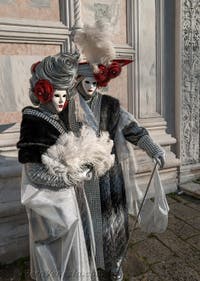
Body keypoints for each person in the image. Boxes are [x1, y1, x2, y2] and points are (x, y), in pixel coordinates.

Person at [60, 58, 166, 281]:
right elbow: (58, 139)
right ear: (78, 81)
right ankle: (86, 264)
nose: (90, 87)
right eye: (86, 82)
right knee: (84, 222)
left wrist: (154, 149)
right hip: (81, 178)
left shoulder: (111, 105)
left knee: (112, 222)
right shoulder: (67, 108)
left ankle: (114, 263)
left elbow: (131, 128)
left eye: (94, 83)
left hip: (110, 177)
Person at [17, 52, 109, 281]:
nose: (61, 101)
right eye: (56, 95)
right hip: (51, 210)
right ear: (44, 93)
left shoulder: (56, 117)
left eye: (64, 95)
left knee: (71, 257)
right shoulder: (33, 121)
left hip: (66, 204)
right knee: (56, 258)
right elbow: (35, 172)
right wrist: (72, 176)